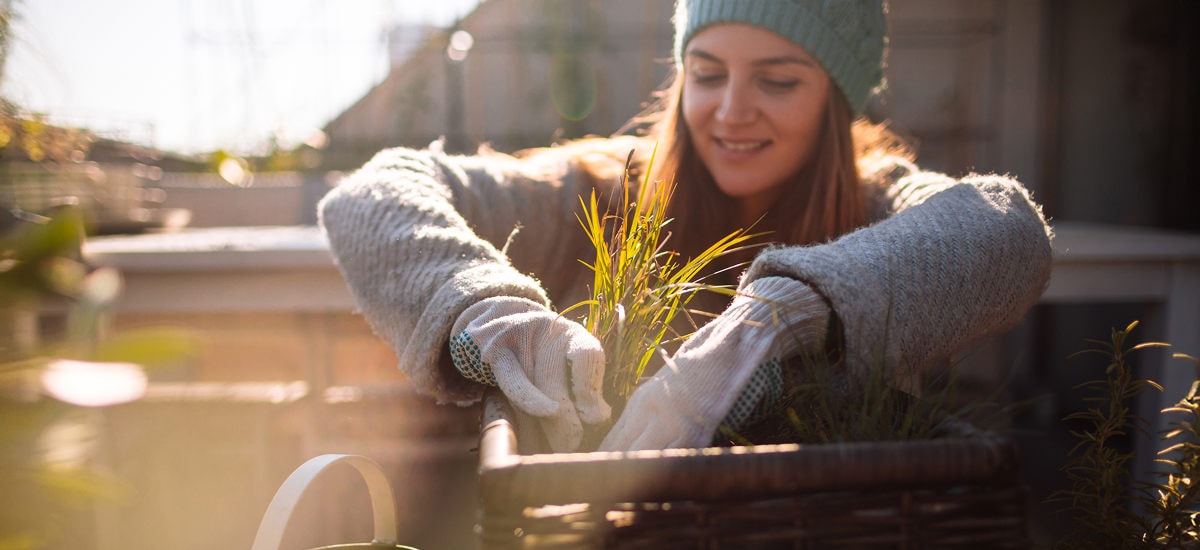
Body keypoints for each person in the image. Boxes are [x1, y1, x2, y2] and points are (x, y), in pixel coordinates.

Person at [317, 0, 1053, 453]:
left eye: (778, 80)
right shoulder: (603, 192)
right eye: (706, 74)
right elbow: (372, 195)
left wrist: (777, 319)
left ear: (836, 98)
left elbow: (1007, 226)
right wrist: (489, 311)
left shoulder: (876, 202)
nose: (731, 110)